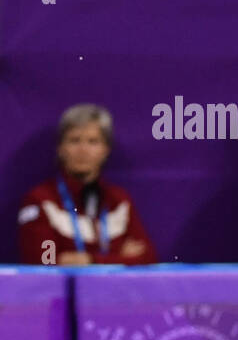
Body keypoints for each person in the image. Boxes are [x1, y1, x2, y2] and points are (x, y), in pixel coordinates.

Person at [18, 104, 158, 266]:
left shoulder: (119, 200)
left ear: (106, 150)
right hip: (62, 292)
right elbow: (43, 261)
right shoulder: (40, 199)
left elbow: (147, 259)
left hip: (114, 291)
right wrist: (119, 258)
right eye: (74, 140)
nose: (83, 150)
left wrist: (89, 260)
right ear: (61, 149)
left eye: (93, 141)